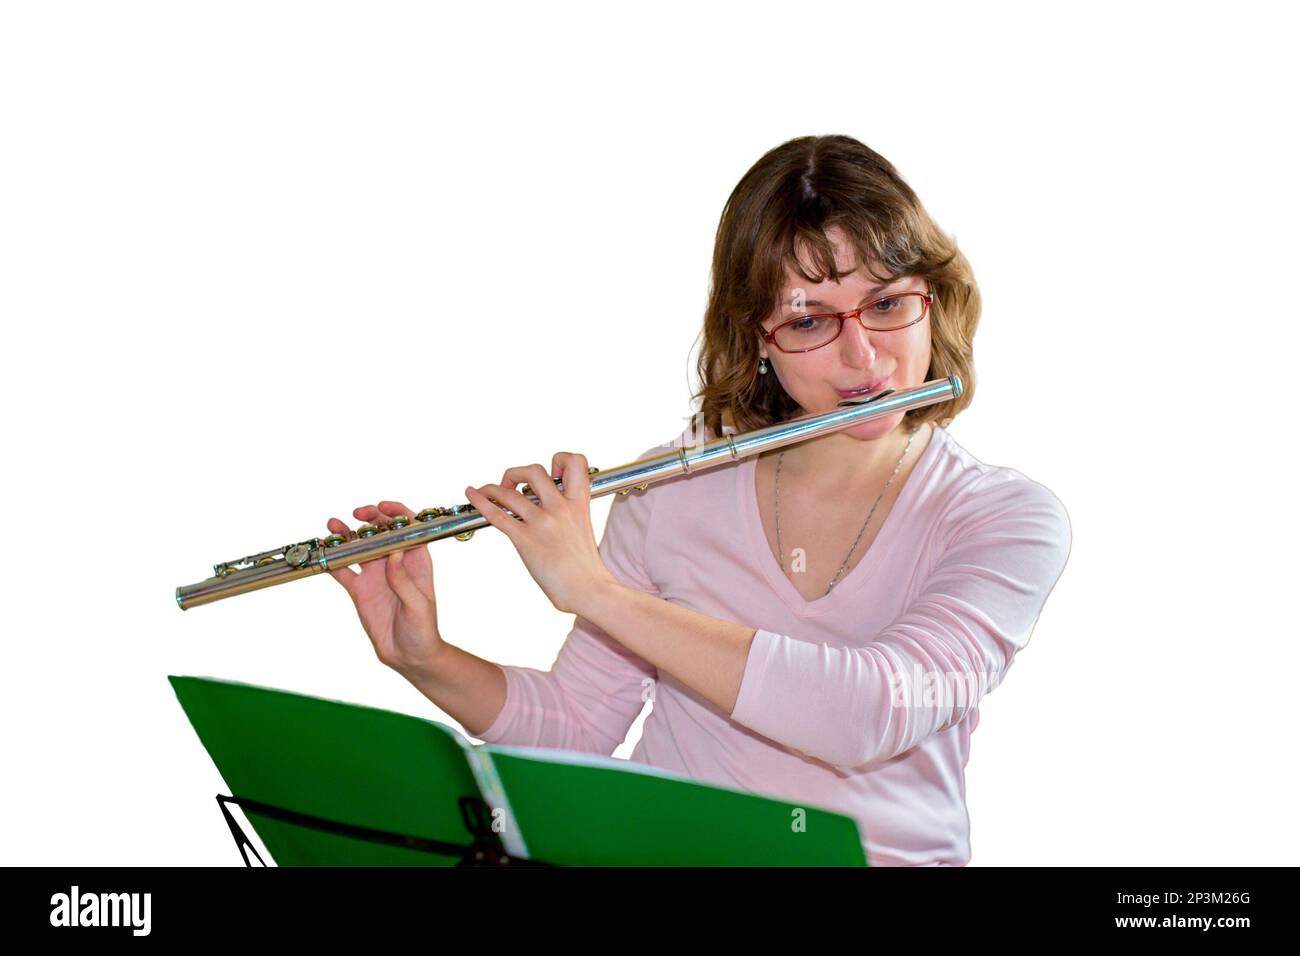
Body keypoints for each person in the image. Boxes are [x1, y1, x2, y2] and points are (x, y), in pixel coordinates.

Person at [324, 134, 1072, 866]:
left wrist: (595, 590)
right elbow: (580, 726)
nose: (863, 357)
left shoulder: (1004, 518)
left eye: (886, 305)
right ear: (758, 340)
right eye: (809, 320)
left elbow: (870, 713)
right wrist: (423, 657)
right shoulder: (671, 491)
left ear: (932, 301)